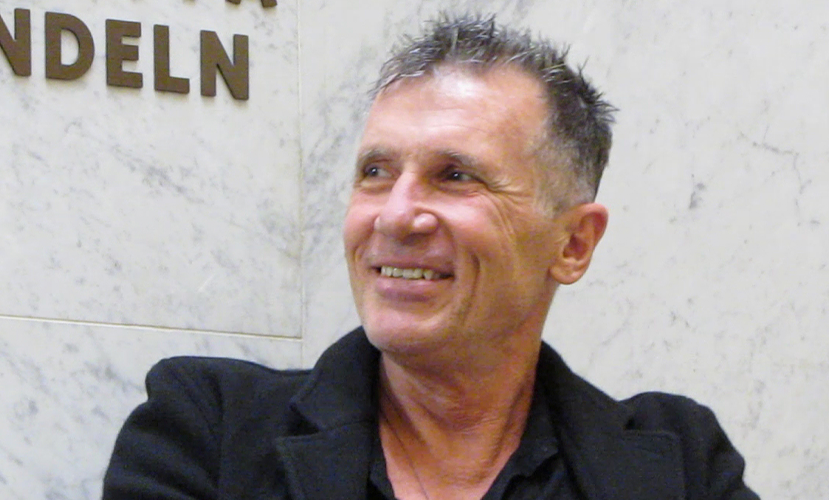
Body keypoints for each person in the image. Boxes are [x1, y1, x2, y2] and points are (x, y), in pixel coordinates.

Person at [102, 13, 759, 500]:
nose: (395, 216)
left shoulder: (678, 465)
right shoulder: (212, 430)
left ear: (573, 243)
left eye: (455, 176)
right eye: (376, 172)